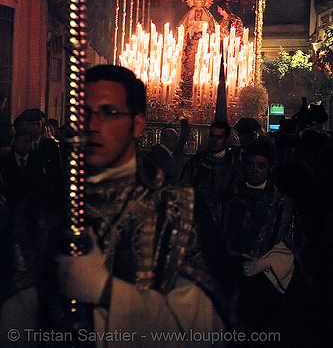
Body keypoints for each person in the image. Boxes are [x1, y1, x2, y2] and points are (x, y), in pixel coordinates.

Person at [1, 65, 230, 347]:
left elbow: (203, 329)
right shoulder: (42, 206)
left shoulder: (178, 206)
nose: (92, 125)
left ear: (137, 124)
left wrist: (107, 291)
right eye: (83, 113)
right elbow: (15, 319)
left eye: (109, 113)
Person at [219, 138, 307, 345]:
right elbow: (213, 233)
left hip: (264, 283)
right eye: (250, 164)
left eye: (261, 166)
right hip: (229, 277)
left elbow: (292, 243)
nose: (255, 170)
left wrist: (265, 263)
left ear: (271, 168)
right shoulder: (228, 198)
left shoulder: (282, 204)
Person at [179, 120, 239, 223]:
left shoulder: (233, 164)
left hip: (224, 219)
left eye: (219, 137)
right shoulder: (197, 161)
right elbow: (184, 186)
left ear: (227, 139)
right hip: (198, 217)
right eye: (212, 136)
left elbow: (236, 192)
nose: (214, 140)